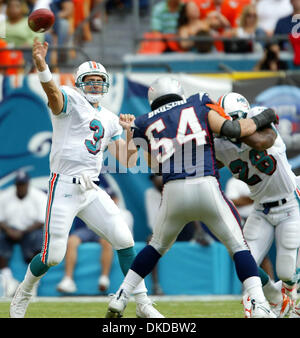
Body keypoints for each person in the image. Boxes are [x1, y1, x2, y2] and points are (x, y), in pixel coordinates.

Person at [9, 38, 163, 318]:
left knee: (124, 239)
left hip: (91, 189)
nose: (94, 85)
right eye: (89, 80)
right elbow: (54, 96)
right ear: (79, 83)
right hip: (64, 185)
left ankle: (142, 303)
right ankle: (24, 291)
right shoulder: (70, 99)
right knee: (53, 255)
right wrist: (42, 67)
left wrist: (129, 133)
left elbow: (127, 160)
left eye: (98, 81)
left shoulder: (110, 117)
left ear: (106, 84)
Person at [107, 76, 279, 318]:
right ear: (179, 91)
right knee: (238, 246)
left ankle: (121, 296)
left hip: (174, 191)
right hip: (205, 184)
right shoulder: (197, 103)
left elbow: (146, 163)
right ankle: (259, 304)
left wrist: (128, 132)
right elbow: (234, 130)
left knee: (155, 246)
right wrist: (266, 116)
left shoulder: (145, 121)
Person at [214, 92, 300, 317]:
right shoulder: (220, 144)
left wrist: (236, 131)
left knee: (287, 271)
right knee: (245, 263)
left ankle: (293, 294)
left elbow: (263, 141)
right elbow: (207, 164)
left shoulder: (261, 121)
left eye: (239, 119)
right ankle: (274, 296)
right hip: (261, 208)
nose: (235, 125)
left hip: (290, 202)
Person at [57, 182, 134, 294]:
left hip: (106, 234)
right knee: (72, 240)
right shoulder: (97, 208)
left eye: (112, 198)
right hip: (91, 229)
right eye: (108, 198)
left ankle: (104, 278)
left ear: (116, 199)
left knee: (107, 241)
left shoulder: (124, 214)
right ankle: (68, 279)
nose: (110, 201)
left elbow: (124, 237)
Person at [0, 171, 47, 297]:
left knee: (38, 238)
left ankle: (32, 283)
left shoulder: (39, 196)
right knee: (0, 238)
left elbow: (41, 221)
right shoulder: (5, 196)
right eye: (19, 184)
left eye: (23, 184)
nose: (21, 187)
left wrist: (23, 232)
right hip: (9, 231)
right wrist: (9, 230)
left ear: (28, 184)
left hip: (30, 230)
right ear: (15, 184)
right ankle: (7, 279)